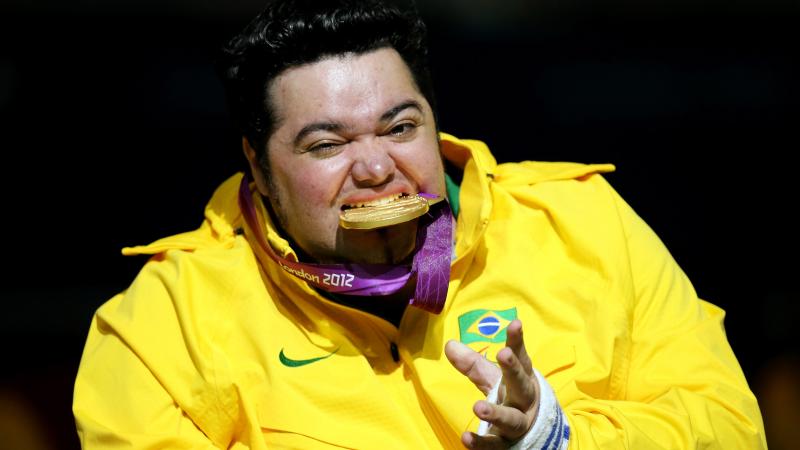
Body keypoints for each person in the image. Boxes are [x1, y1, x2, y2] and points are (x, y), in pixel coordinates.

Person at [72, 0, 766, 448]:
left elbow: (735, 430)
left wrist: (555, 437)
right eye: (327, 145)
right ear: (256, 165)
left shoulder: (585, 224)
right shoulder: (160, 324)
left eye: (400, 127)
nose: (376, 168)